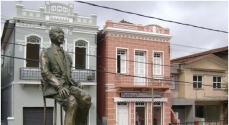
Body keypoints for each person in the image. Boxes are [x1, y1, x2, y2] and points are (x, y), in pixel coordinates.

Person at [40, 27, 91, 125]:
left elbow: (68, 75)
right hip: (53, 87)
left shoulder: (67, 56)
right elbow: (45, 72)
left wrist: (76, 82)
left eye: (63, 33)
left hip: (67, 86)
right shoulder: (46, 52)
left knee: (86, 97)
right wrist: (58, 86)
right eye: (58, 32)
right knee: (71, 102)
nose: (62, 35)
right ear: (51, 36)